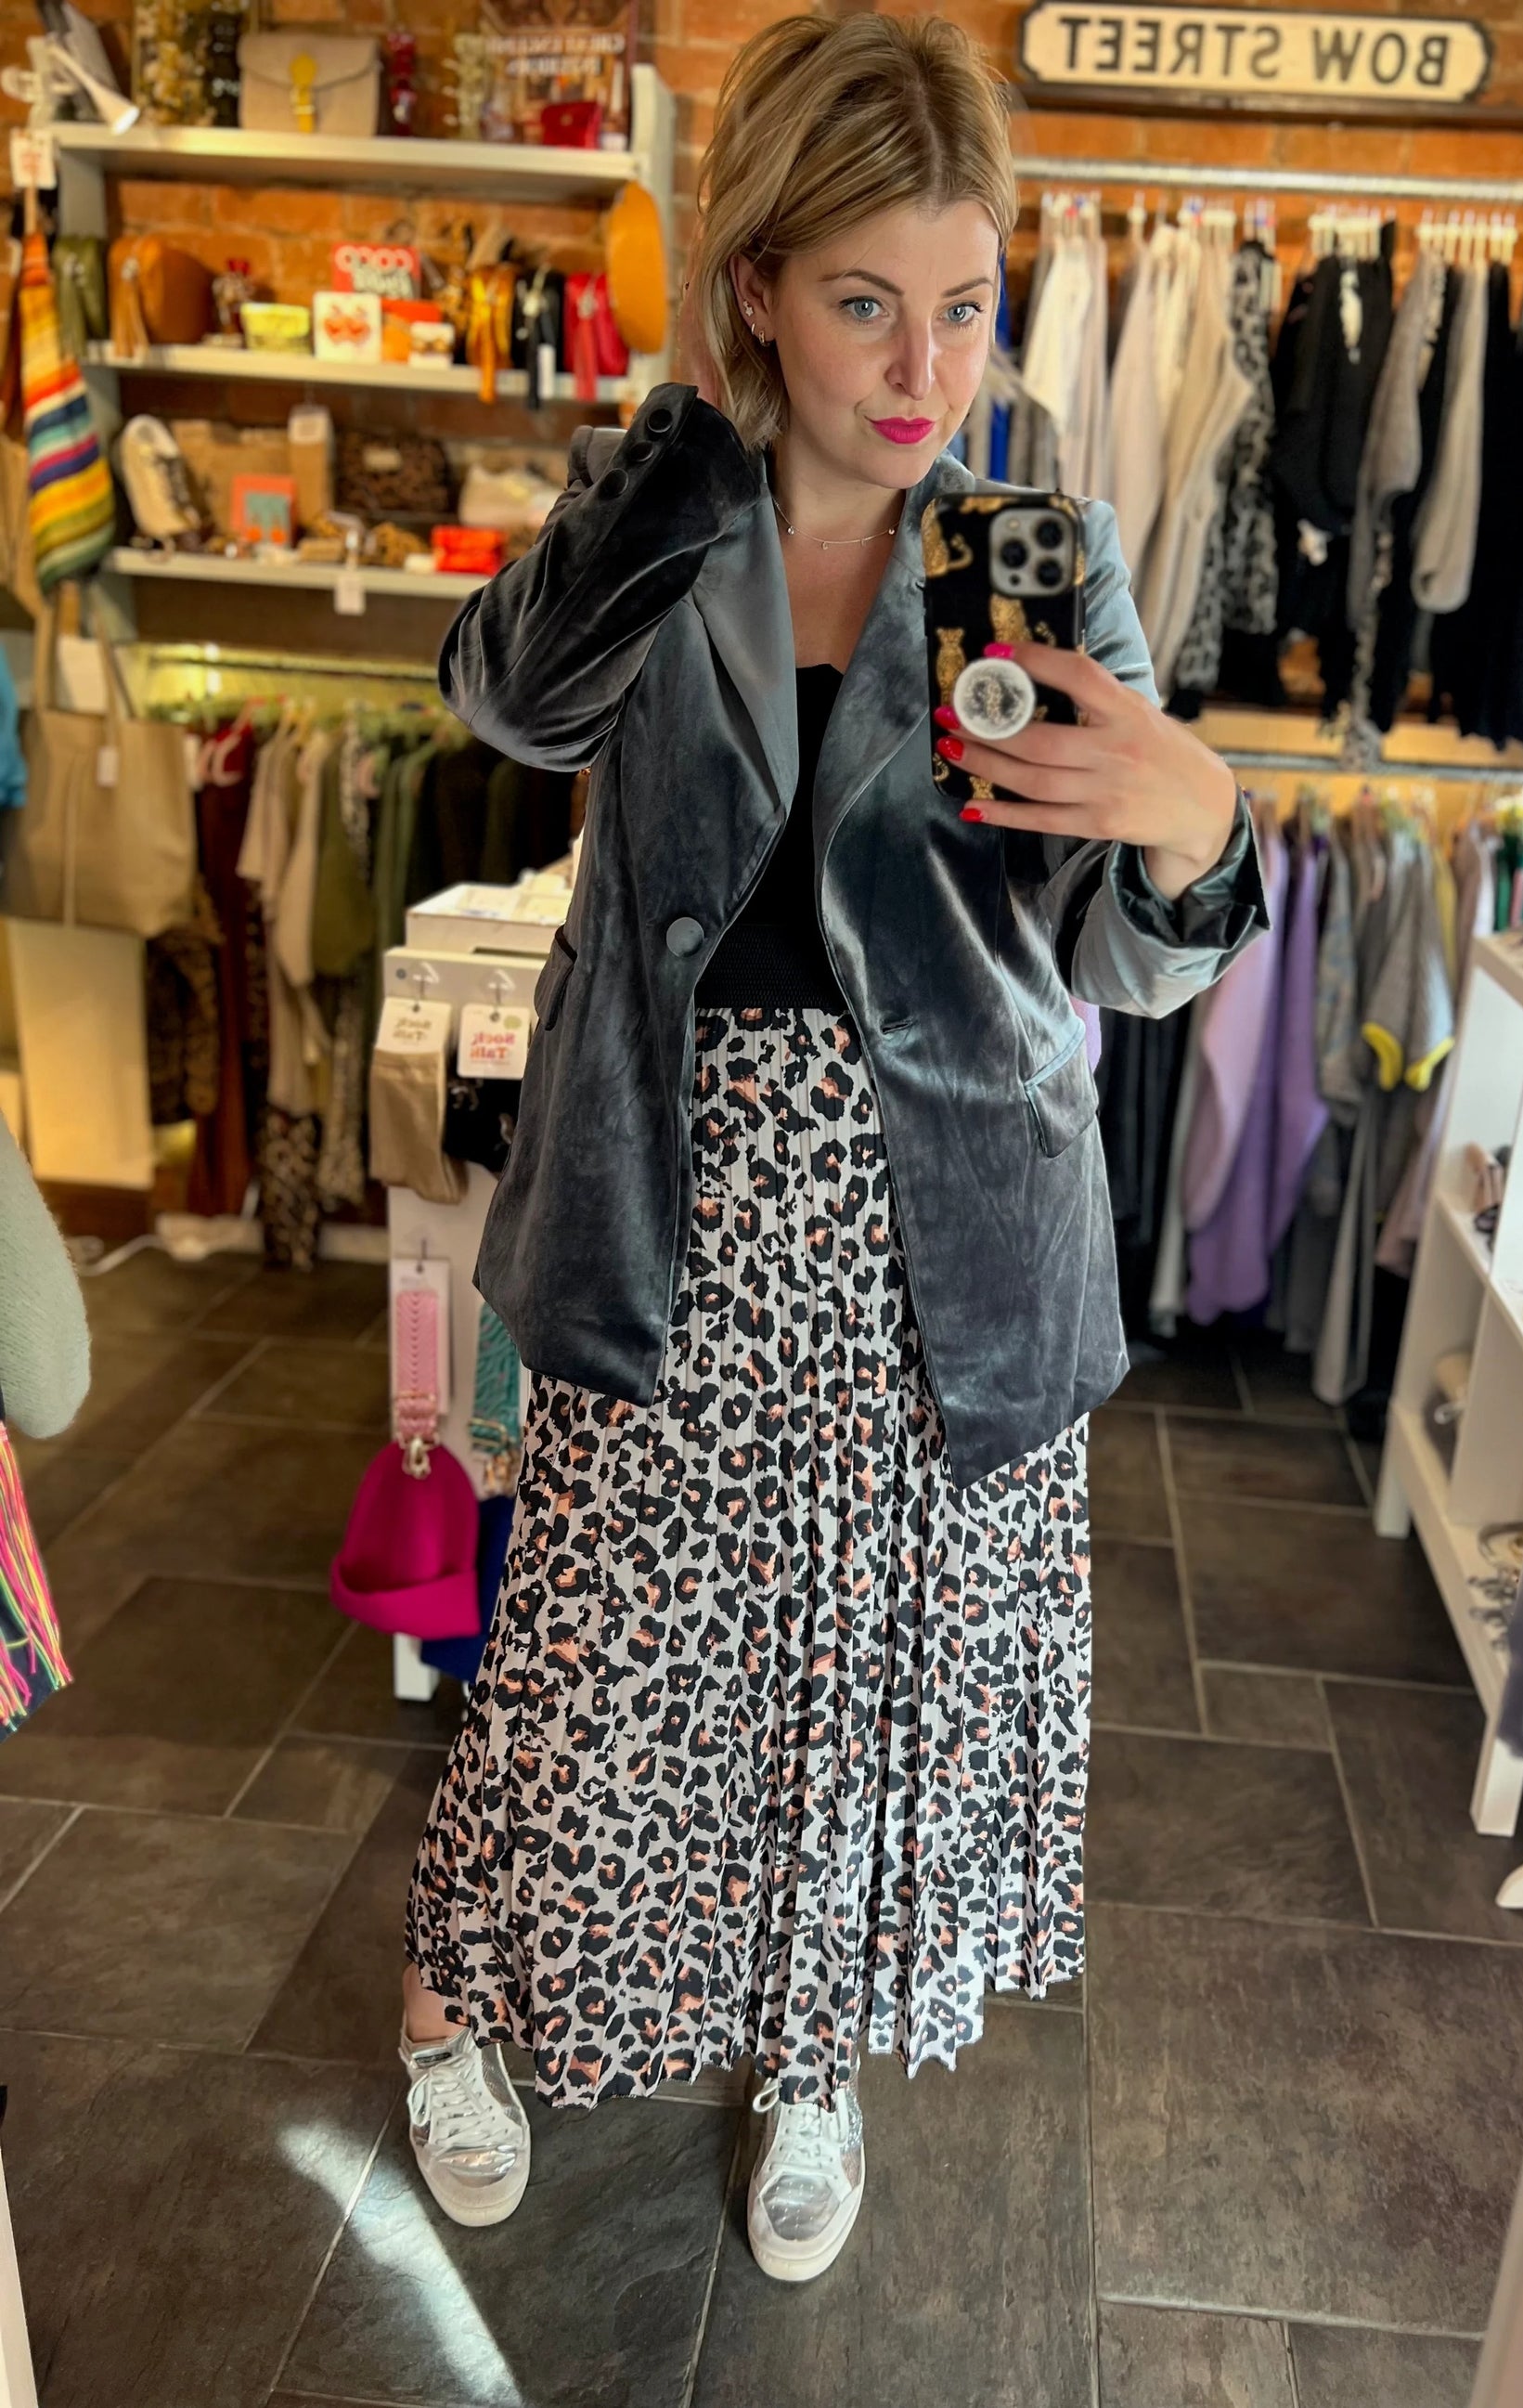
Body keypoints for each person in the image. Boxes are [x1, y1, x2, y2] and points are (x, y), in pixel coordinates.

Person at [395, 11, 1265, 2283]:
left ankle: (810, 2061)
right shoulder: (662, 498)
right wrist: (684, 466)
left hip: (943, 1233)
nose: (921, 364)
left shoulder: (1028, 547)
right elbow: (500, 699)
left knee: (867, 1683)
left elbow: (1124, 943)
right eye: (864, 298)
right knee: (588, 1666)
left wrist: (1197, 823)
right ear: (760, 280)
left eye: (961, 302)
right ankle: (450, 1990)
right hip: (667, 1200)